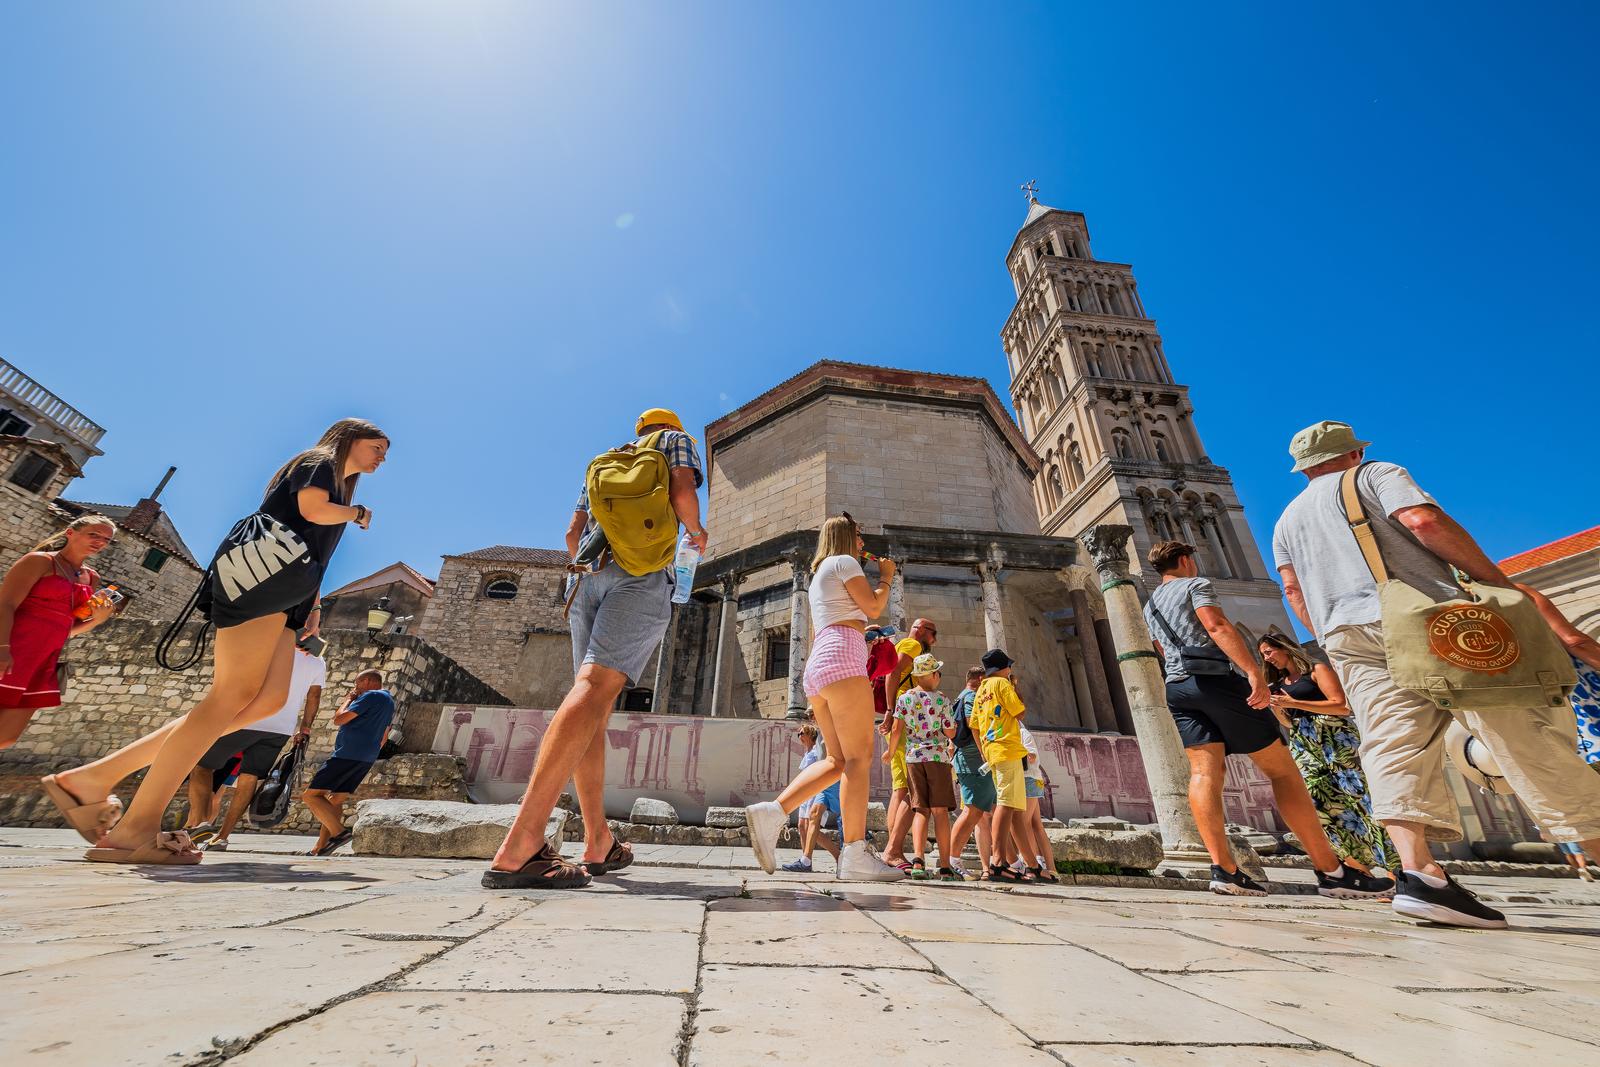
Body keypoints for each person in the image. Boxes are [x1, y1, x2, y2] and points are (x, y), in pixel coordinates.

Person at [1274, 421, 1600, 928]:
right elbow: (1423, 522)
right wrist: (1496, 582)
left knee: (1390, 744)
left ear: (1305, 468)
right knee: (1517, 730)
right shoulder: (1376, 474)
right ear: (1355, 451)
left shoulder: (1287, 519)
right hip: (1424, 618)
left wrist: (1335, 641)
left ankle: (1421, 875)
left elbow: (1293, 592)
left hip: (1343, 636)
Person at [42, 419, 386, 865]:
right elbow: (311, 509)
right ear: (349, 441)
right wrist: (356, 514)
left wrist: (312, 610)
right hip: (262, 583)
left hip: (287, 596)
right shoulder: (319, 463)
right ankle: (136, 828)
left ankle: (93, 780)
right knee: (230, 697)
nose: (382, 457)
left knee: (263, 704)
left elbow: (314, 550)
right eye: (377, 446)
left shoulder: (339, 484)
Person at [485, 409, 706, 890]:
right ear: (670, 427)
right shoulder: (675, 442)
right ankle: (522, 842)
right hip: (640, 574)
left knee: (592, 706)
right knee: (594, 690)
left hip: (585, 579)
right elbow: (684, 493)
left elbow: (571, 534)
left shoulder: (604, 462)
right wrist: (697, 532)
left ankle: (597, 840)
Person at [1143, 539, 1393, 900]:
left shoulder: (1151, 604)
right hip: (1215, 681)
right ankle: (1332, 872)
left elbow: (1162, 649)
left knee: (1203, 774)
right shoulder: (1195, 584)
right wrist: (1252, 673)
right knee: (1282, 770)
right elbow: (1216, 626)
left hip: (1178, 686)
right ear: (1185, 560)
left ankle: (1224, 870)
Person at [743, 513, 904, 881]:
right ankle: (855, 854)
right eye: (860, 534)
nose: (863, 543)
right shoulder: (844, 562)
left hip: (820, 665)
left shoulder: (821, 574)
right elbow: (874, 607)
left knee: (836, 760)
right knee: (859, 759)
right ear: (847, 535)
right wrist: (887, 577)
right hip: (843, 659)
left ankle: (772, 811)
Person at [1258, 632, 1397, 878]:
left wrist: (1296, 703)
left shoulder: (1316, 670)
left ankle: (1395, 872)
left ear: (1285, 648)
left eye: (1269, 652)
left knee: (1362, 800)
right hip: (1304, 741)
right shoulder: (1279, 684)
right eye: (1263, 655)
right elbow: (1289, 724)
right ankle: (1359, 870)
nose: (1267, 659)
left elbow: (1341, 705)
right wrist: (1279, 707)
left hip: (1337, 737)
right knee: (1319, 803)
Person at [188, 635, 325, 851]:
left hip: (248, 718)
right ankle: (222, 837)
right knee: (249, 778)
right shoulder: (318, 662)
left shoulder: (272, 646)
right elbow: (314, 696)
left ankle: (199, 824)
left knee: (202, 767)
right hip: (281, 727)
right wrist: (305, 729)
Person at [0, 515, 119, 754]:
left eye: (106, 539)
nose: (99, 542)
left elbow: (68, 628)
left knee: (7, 736)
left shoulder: (91, 577)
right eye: (93, 534)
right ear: (70, 533)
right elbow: (6, 603)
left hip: (42, 660)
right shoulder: (39, 561)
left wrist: (97, 620)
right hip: (13, 648)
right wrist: (3, 648)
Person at [302, 669, 394, 856]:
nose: (356, 688)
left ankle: (340, 833)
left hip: (347, 754)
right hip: (366, 757)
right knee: (335, 800)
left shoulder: (370, 696)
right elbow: (384, 736)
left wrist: (348, 700)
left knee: (311, 796)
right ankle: (321, 846)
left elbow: (339, 719)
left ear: (367, 681)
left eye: (357, 683)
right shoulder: (389, 701)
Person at [884, 653, 958, 880]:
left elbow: (896, 729)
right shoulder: (942, 700)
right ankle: (945, 866)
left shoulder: (905, 699)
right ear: (934, 675)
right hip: (937, 758)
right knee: (940, 812)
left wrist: (890, 751)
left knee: (920, 810)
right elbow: (950, 732)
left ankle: (918, 860)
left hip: (914, 758)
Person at [969, 648, 1035, 882]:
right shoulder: (1002, 684)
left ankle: (1028, 864)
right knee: (1005, 805)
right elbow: (1020, 712)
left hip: (992, 751)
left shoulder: (980, 690)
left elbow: (974, 726)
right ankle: (998, 861)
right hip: (1007, 748)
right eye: (1009, 666)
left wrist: (984, 752)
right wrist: (1014, 687)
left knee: (1010, 806)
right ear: (1003, 668)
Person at [879, 616, 939, 870]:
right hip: (905, 721)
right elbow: (893, 673)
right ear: (923, 631)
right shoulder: (913, 645)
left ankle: (893, 849)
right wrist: (891, 710)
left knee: (901, 789)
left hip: (899, 722)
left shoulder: (903, 645)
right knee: (914, 788)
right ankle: (893, 851)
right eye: (934, 633)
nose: (934, 640)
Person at [947, 666, 993, 880]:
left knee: (979, 811)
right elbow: (972, 723)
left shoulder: (961, 696)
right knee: (972, 810)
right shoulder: (971, 697)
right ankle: (952, 859)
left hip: (968, 759)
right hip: (973, 760)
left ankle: (995, 863)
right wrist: (985, 753)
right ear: (981, 678)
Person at [780, 723, 842, 873]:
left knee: (810, 827)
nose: (799, 736)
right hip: (809, 793)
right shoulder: (811, 750)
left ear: (809, 734)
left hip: (818, 790)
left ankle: (838, 856)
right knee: (802, 826)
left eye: (802, 733)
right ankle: (805, 859)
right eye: (799, 734)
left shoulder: (817, 749)